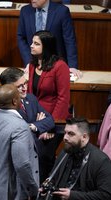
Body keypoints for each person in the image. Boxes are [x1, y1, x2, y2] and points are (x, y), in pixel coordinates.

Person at [0, 84, 39, 200]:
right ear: (14, 101)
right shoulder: (20, 126)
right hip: (11, 191)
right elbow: (21, 164)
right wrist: (32, 189)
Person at [28, 30, 71, 182]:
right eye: (32, 42)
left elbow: (63, 98)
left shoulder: (60, 66)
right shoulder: (33, 65)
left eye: (36, 43)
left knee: (44, 156)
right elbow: (30, 95)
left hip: (54, 121)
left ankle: (46, 191)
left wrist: (50, 125)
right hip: (35, 118)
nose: (31, 46)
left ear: (46, 46)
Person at [0, 67, 55, 183]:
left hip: (35, 156)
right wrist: (39, 128)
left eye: (25, 83)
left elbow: (50, 120)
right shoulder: (2, 108)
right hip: (17, 163)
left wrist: (34, 126)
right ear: (8, 89)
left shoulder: (31, 98)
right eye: (19, 86)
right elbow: (16, 133)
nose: (24, 88)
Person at [39, 117, 111, 200]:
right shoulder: (65, 153)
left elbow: (106, 194)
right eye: (65, 133)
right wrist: (48, 187)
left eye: (71, 134)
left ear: (84, 137)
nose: (65, 138)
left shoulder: (101, 160)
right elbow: (54, 178)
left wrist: (73, 196)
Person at [17, 0, 81, 78]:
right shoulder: (25, 11)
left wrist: (72, 66)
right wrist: (28, 62)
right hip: (34, 65)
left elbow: (69, 39)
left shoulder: (62, 11)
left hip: (56, 64)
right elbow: (21, 37)